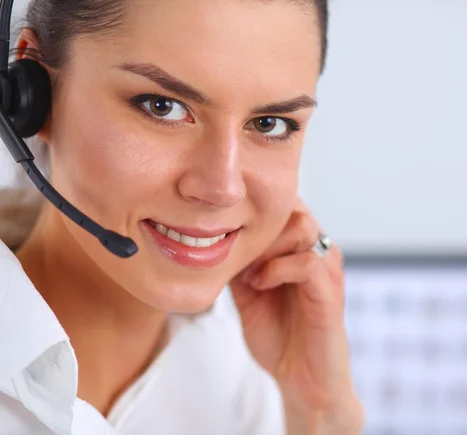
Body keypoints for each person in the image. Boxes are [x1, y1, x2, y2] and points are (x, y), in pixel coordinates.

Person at [0, 0, 364, 434]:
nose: (223, 189)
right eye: (162, 106)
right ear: (30, 94)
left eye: (269, 124)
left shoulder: (248, 372)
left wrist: (321, 412)